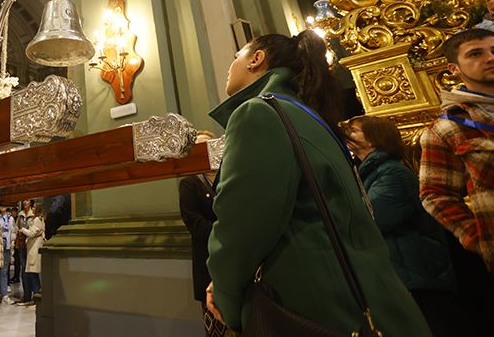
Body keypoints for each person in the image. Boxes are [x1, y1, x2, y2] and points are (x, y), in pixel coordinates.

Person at [205, 32, 430, 335]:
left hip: (318, 304)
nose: (229, 67)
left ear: (256, 59)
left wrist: (225, 296)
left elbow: (242, 225)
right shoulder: (306, 113)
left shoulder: (258, 113)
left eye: (236, 58)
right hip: (372, 294)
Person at [344, 116, 462, 337]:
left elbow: (372, 219)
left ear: (374, 138)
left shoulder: (391, 173)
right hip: (408, 275)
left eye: (354, 131)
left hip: (418, 277)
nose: (348, 135)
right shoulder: (373, 173)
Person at [419, 27, 494, 332]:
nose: (490, 58)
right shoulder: (448, 127)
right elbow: (434, 194)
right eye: (476, 53)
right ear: (454, 68)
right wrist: (480, 240)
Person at [179, 175, 226, 337]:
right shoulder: (190, 183)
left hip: (236, 265)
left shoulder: (230, 173)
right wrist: (229, 231)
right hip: (207, 265)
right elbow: (194, 223)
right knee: (217, 329)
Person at [18, 202, 44, 306]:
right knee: (31, 273)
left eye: (33, 207)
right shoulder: (37, 219)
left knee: (33, 273)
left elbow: (32, 233)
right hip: (31, 248)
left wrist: (23, 229)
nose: (32, 209)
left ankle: (36, 296)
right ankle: (31, 296)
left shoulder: (37, 220)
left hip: (34, 249)